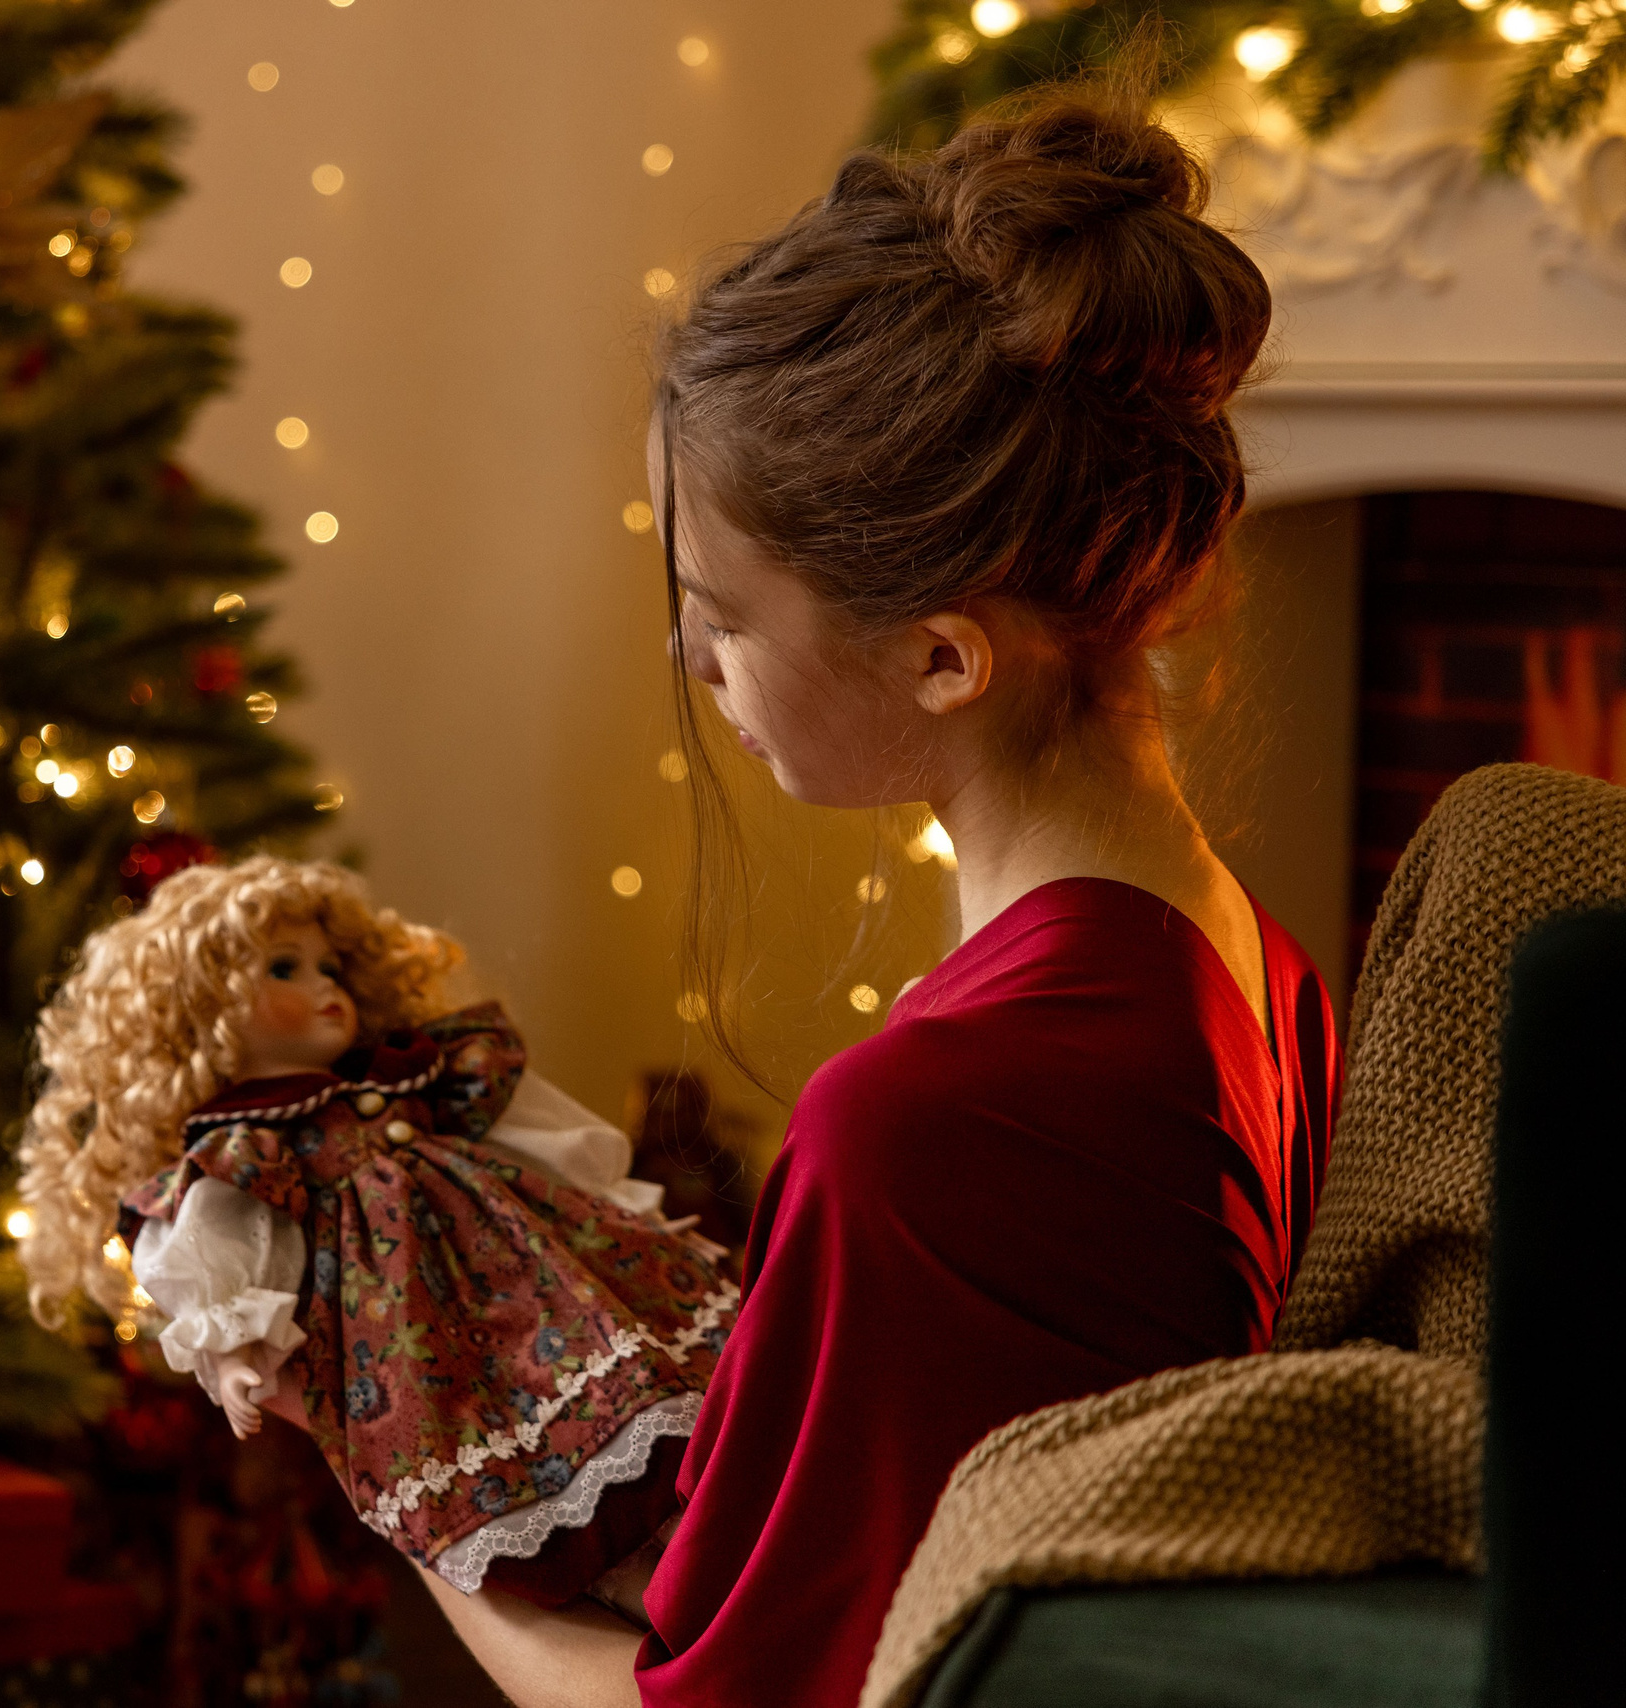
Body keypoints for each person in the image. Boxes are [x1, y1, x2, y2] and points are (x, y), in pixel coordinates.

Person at [414, 87, 1339, 1708]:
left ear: (941, 652)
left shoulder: (937, 1114)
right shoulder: (1241, 956)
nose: (697, 668)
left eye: (720, 615)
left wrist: (412, 1476)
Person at [15, 857, 736, 1610]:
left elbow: (535, 1144)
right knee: (508, 1439)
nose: (326, 986)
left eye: (329, 965)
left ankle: (696, 1520)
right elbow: (223, 1246)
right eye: (285, 968)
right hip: (405, 1328)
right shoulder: (247, 1146)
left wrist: (614, 1202)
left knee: (633, 1380)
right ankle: (637, 1575)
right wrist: (233, 1353)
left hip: (529, 1267)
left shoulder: (414, 1076)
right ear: (199, 1012)